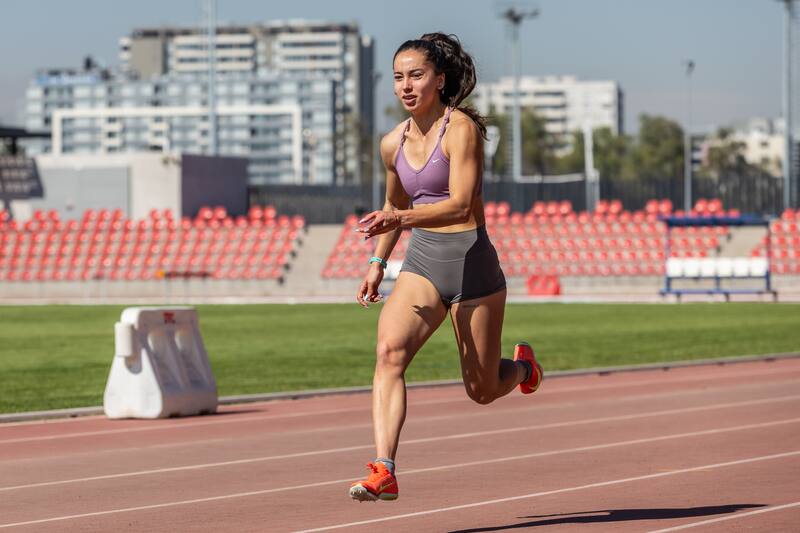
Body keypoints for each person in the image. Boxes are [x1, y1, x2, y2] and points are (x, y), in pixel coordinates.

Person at [349, 32, 543, 503]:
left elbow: (459, 204)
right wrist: (377, 262)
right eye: (398, 77)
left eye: (416, 75)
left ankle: (522, 369)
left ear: (439, 79)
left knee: (482, 389)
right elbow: (393, 206)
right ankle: (384, 469)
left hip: (472, 264)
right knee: (388, 353)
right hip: (423, 262)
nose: (406, 85)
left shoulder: (461, 130)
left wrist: (400, 218)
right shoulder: (392, 143)